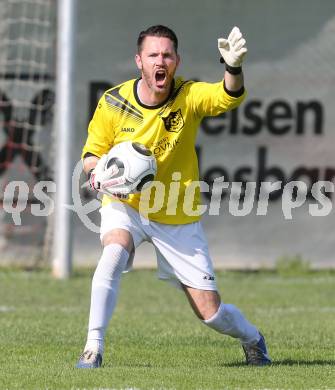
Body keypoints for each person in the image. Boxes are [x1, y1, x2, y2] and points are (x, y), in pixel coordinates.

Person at [77, 25, 271, 368]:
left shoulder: (189, 95)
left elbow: (228, 96)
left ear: (177, 61)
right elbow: (92, 155)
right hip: (127, 205)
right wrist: (97, 175)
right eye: (153, 54)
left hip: (175, 213)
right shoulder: (113, 101)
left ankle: (252, 338)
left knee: (210, 313)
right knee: (113, 254)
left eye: (167, 54)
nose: (160, 61)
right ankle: (93, 348)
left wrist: (234, 68)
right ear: (139, 61)